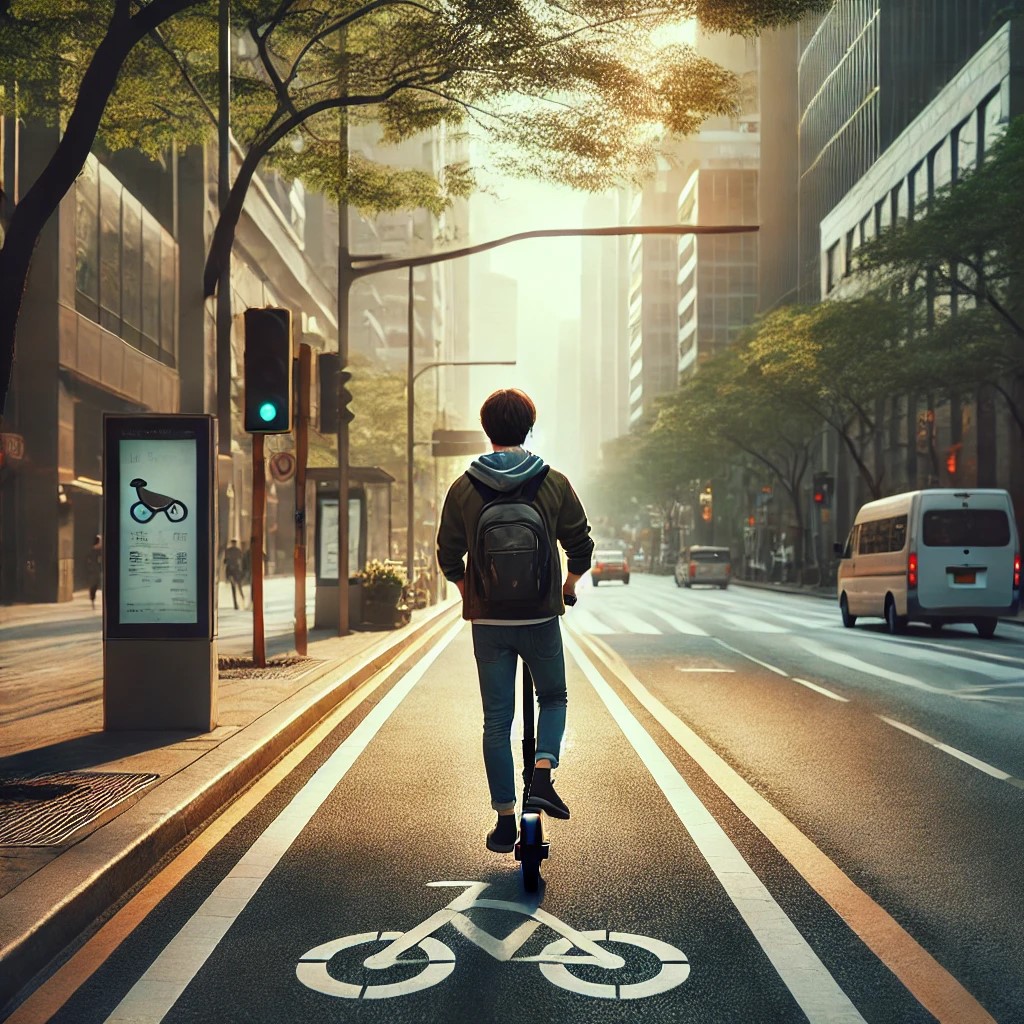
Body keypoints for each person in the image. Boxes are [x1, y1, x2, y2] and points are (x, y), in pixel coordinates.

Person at [436, 388, 594, 854]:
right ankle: (543, 772)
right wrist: (568, 586)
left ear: (488, 429)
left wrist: (470, 593)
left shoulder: (464, 487)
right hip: (541, 616)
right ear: (529, 427)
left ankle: (505, 818)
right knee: (554, 696)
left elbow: (448, 554)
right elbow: (580, 544)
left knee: (496, 720)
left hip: (489, 625)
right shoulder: (553, 482)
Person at [224, 539, 246, 609]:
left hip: (234, 570)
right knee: (235, 587)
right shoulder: (232, 551)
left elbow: (240, 561)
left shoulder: (235, 551)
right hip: (233, 571)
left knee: (238, 586)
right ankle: (237, 603)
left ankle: (241, 600)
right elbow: (225, 561)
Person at [87, 534, 103, 610]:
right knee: (93, 586)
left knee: (96, 585)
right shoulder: (92, 551)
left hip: (98, 571)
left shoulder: (101, 551)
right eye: (100, 541)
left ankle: (93, 599)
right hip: (93, 571)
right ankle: (92, 600)